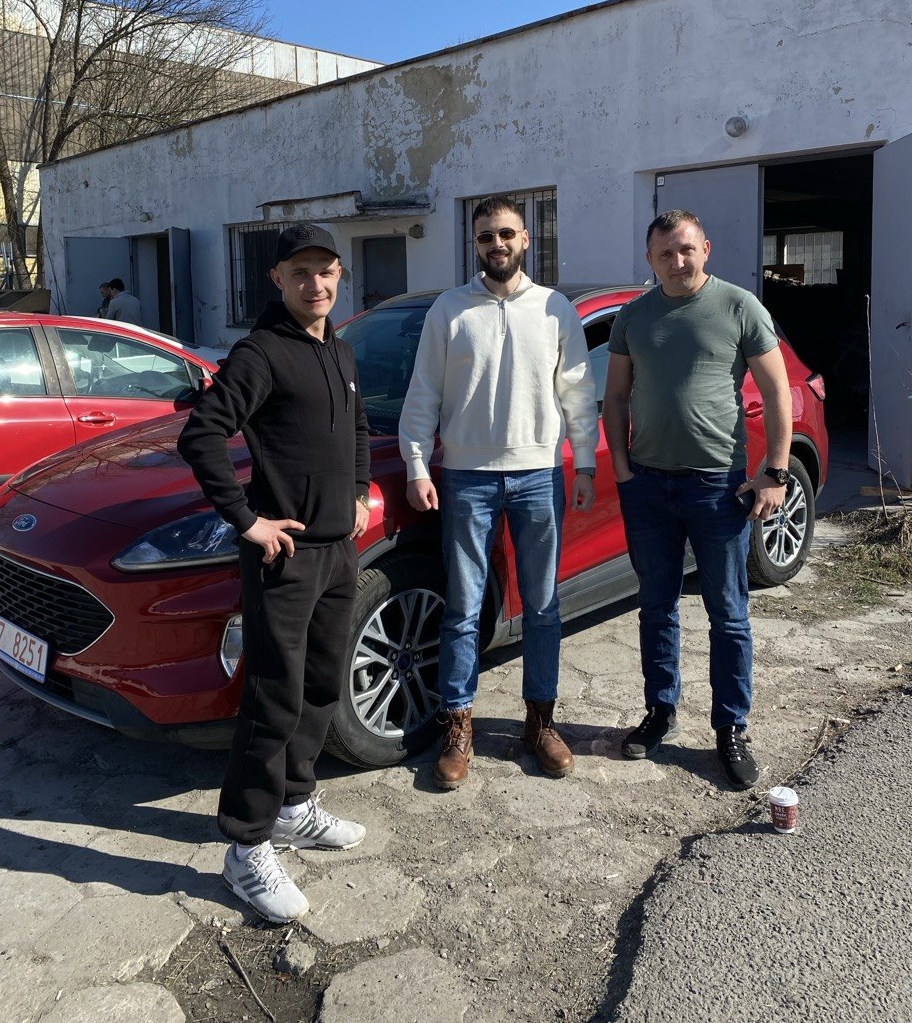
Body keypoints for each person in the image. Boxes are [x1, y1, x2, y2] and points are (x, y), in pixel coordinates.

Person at [177, 221, 370, 923]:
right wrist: (247, 519)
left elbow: (356, 425)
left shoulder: (341, 350)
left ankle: (295, 804)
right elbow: (199, 434)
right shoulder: (260, 352)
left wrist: (355, 493)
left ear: (339, 276)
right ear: (278, 280)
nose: (314, 284)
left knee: (320, 687)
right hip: (281, 555)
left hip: (336, 552)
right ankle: (245, 846)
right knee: (273, 700)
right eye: (300, 273)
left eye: (325, 271)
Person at [398, 196, 599, 790]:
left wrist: (583, 465)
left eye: (507, 234)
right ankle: (458, 724)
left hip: (539, 475)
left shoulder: (555, 309)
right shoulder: (450, 311)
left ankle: (540, 723)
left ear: (527, 240)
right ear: (476, 244)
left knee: (542, 608)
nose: (498, 244)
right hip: (466, 478)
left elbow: (579, 394)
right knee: (463, 608)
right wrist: (415, 464)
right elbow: (423, 394)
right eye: (487, 236)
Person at [602, 209, 793, 790]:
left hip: (716, 486)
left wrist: (775, 472)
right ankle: (659, 711)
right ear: (650, 259)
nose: (677, 262)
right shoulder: (633, 318)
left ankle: (731, 728)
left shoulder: (739, 307)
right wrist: (622, 470)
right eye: (665, 254)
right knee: (656, 606)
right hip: (649, 487)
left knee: (728, 615)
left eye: (686, 250)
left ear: (705, 248)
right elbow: (614, 399)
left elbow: (777, 390)